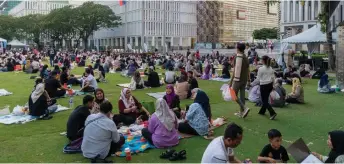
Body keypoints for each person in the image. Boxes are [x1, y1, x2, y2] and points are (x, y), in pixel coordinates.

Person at [251, 56, 277, 120]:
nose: (260, 61)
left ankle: (272, 112)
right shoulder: (270, 68)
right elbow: (273, 78)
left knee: (264, 101)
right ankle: (262, 111)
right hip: (269, 85)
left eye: (261, 60)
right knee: (265, 99)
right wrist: (273, 85)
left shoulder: (261, 69)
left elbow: (258, 79)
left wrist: (251, 84)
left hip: (264, 86)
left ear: (263, 61)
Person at [229, 43, 250, 118]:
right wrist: (249, 80)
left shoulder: (237, 57)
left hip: (237, 80)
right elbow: (248, 70)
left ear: (238, 48)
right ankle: (242, 112)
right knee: (242, 96)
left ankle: (244, 108)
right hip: (244, 79)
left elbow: (235, 70)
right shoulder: (245, 57)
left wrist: (231, 82)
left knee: (233, 95)